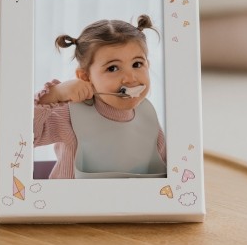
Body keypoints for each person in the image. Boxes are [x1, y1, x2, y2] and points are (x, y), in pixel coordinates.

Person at [34, 14, 166, 179]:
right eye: (113, 68)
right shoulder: (69, 115)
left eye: (137, 64)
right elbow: (23, 136)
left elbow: (166, 165)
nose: (130, 78)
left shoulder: (147, 116)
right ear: (85, 77)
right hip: (72, 203)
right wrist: (54, 94)